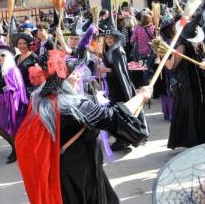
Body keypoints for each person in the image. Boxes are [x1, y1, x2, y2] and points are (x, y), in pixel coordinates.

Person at [15, 54, 150, 204]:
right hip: (81, 174)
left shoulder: (41, 102)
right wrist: (142, 96)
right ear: (63, 82)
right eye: (73, 73)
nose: (79, 74)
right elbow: (113, 117)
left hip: (59, 172)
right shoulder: (74, 107)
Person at [98, 27, 144, 151]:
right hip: (115, 85)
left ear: (116, 38)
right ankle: (123, 140)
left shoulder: (117, 51)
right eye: (106, 38)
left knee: (120, 112)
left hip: (119, 87)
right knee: (119, 112)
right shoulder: (111, 50)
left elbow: (120, 72)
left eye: (111, 38)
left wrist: (106, 70)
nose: (108, 40)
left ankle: (123, 140)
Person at [0, 43, 28, 164]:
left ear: (8, 56)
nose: (0, 58)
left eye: (3, 55)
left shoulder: (12, 70)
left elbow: (18, 88)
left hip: (12, 103)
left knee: (11, 128)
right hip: (0, 102)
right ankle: (15, 147)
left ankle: (16, 150)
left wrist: (10, 92)